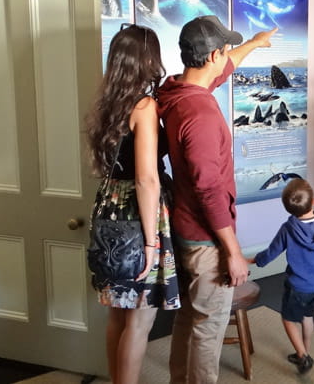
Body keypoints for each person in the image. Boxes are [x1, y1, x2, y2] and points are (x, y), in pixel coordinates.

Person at [156, 15, 277, 384]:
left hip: (185, 228)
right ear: (211, 57)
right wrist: (233, 251)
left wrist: (254, 43)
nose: (227, 57)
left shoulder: (175, 90)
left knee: (190, 318)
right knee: (209, 331)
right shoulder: (202, 113)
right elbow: (209, 190)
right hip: (206, 238)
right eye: (223, 50)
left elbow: (223, 68)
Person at [85, 23, 180, 384]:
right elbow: (146, 178)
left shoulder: (107, 103)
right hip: (137, 216)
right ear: (147, 60)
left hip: (107, 208)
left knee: (117, 314)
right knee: (140, 320)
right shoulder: (143, 105)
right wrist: (152, 243)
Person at [248, 178, 314, 374]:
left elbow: (271, 252)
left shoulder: (288, 228)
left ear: (288, 209)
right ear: (313, 202)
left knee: (288, 319)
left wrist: (254, 261)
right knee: (307, 317)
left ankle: (303, 356)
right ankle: (304, 351)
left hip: (298, 287)